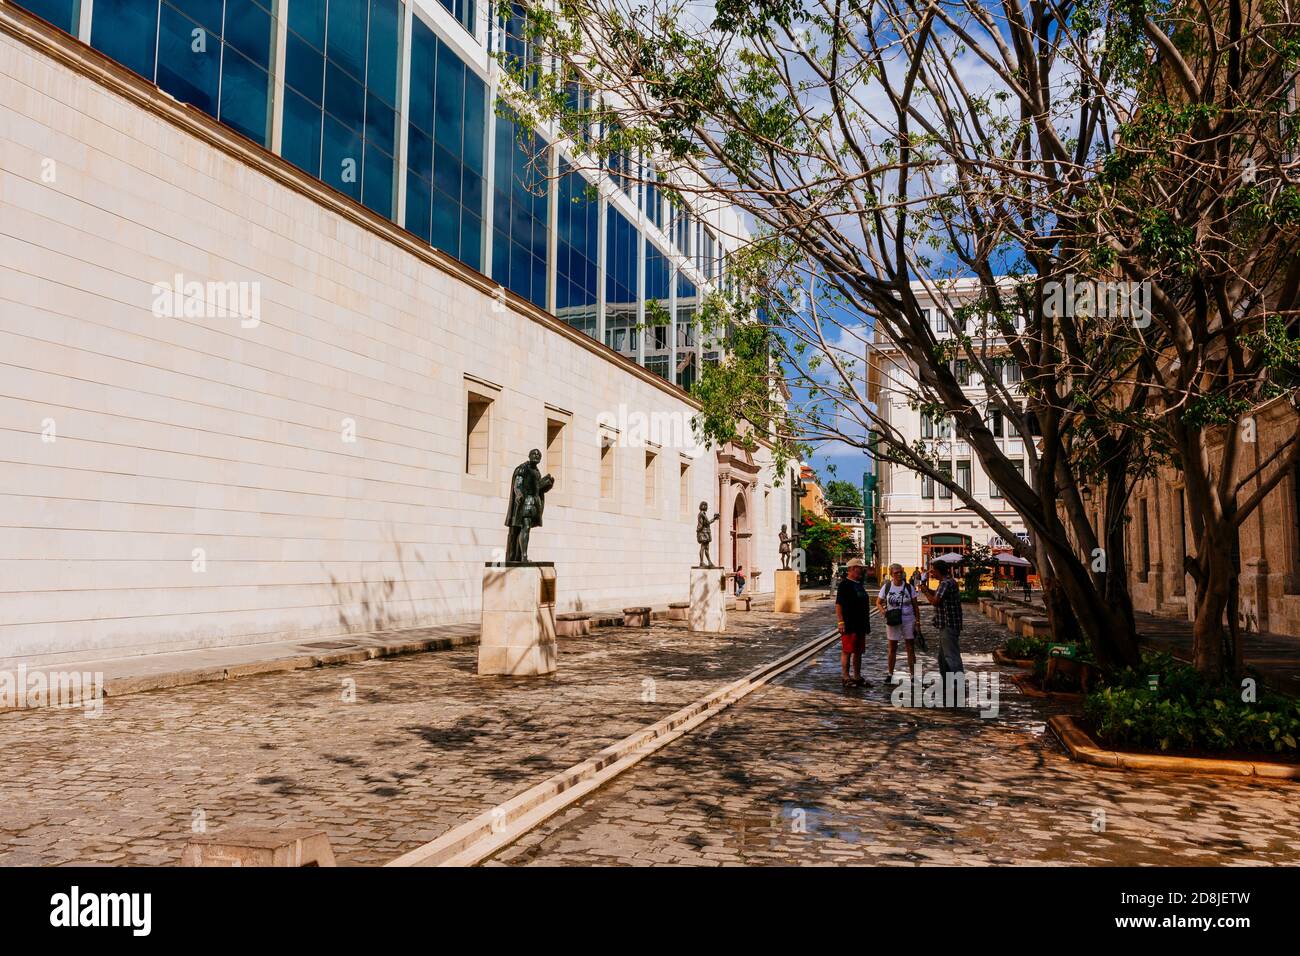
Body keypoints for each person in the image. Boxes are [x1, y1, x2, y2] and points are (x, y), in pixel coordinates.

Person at [917, 559, 964, 700]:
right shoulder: (948, 582)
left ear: (939, 571)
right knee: (942, 657)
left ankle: (957, 684)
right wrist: (929, 590)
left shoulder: (945, 583)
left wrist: (925, 592)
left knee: (951, 656)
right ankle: (948, 682)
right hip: (947, 624)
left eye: (933, 570)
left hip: (948, 625)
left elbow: (936, 602)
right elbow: (938, 595)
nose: (932, 573)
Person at [876, 563, 920, 683]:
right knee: (892, 648)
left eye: (901, 572)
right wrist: (883, 611)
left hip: (908, 619)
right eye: (896, 573)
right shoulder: (887, 587)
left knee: (910, 648)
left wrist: (917, 622)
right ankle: (890, 674)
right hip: (893, 620)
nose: (899, 574)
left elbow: (915, 606)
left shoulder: (908, 587)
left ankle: (912, 675)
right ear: (891, 574)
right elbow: (878, 602)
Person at [835, 558, 872, 687]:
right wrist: (840, 622)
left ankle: (857, 676)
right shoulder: (844, 585)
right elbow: (839, 604)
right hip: (849, 623)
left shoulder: (859, 584)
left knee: (858, 651)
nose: (861, 570)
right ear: (851, 569)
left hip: (861, 624)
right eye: (859, 567)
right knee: (847, 650)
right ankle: (845, 677)